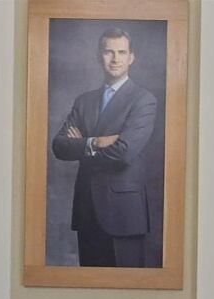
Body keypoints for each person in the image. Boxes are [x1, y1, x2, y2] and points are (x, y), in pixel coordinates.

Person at [51, 28, 159, 268]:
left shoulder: (143, 100)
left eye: (122, 52)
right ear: (99, 56)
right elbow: (59, 146)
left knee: (126, 287)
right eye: (109, 52)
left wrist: (81, 145)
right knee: (90, 284)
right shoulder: (84, 101)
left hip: (124, 214)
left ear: (131, 57)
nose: (115, 58)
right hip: (87, 210)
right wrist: (96, 142)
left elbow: (124, 153)